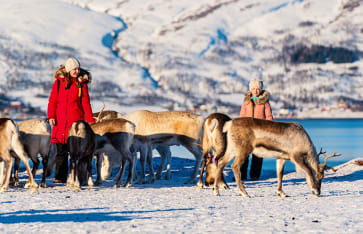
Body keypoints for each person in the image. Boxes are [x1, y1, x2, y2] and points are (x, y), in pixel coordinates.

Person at [47, 57, 95, 183]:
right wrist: (51, 116)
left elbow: (85, 102)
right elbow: (52, 101)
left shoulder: (81, 84)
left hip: (76, 123)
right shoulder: (58, 83)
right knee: (61, 152)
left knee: (77, 152)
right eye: (74, 69)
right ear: (68, 70)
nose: (77, 71)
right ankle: (60, 177)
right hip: (60, 122)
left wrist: (90, 119)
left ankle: (77, 176)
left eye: (78, 68)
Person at [239, 78, 273, 181]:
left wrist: (269, 130)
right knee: (244, 155)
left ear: (261, 89)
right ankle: (242, 176)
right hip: (247, 132)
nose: (256, 91)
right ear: (250, 89)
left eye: (258, 89)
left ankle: (254, 176)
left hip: (260, 133)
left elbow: (269, 117)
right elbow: (241, 116)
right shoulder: (246, 102)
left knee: (258, 156)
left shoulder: (265, 103)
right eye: (253, 89)